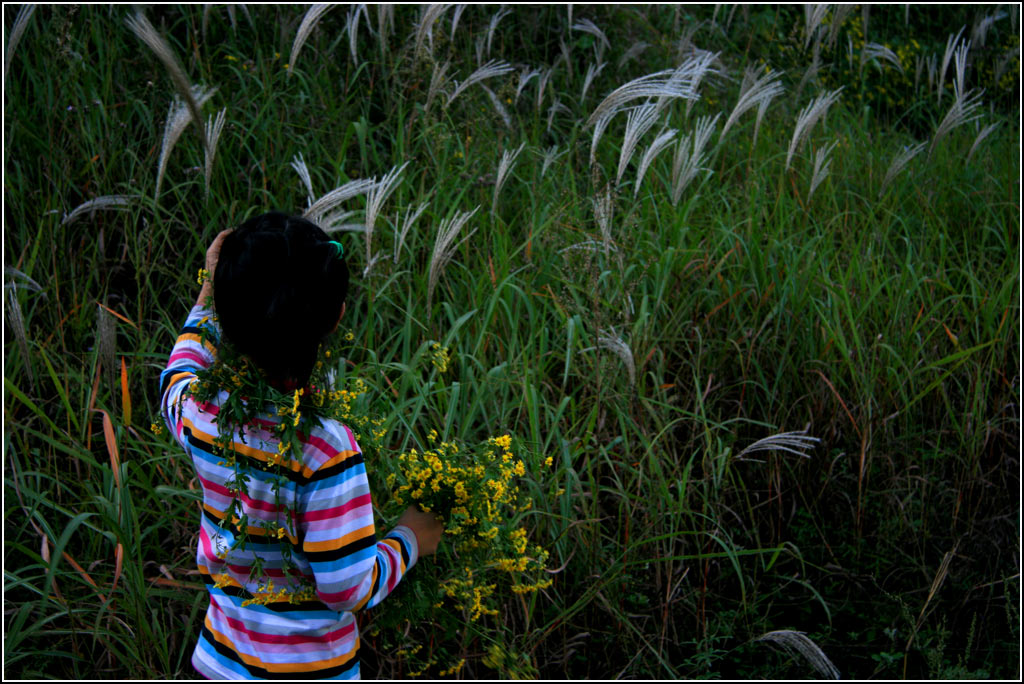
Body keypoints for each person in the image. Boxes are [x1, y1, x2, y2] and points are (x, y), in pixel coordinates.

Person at [159, 212, 443, 679]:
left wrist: (210, 294)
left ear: (227, 322)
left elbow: (176, 374)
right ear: (336, 317)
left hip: (217, 664)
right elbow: (347, 588)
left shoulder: (200, 413)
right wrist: (411, 538)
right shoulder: (325, 451)